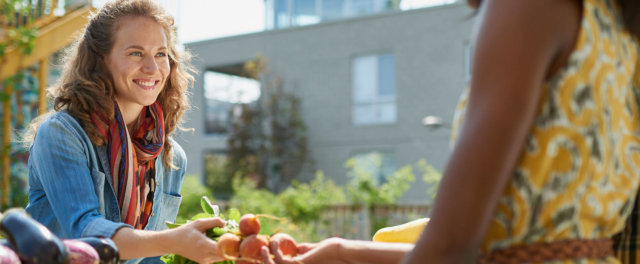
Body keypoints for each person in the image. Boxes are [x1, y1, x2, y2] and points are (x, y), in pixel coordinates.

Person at [262, 0, 640, 263]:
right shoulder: (614, 25)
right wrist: (345, 251)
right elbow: (532, 248)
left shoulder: (529, 7)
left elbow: (452, 248)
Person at [24, 0, 227, 263]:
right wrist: (175, 241)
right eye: (135, 53)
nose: (152, 69)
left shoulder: (171, 156)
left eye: (161, 54)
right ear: (101, 60)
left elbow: (150, 257)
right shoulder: (61, 134)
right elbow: (85, 234)